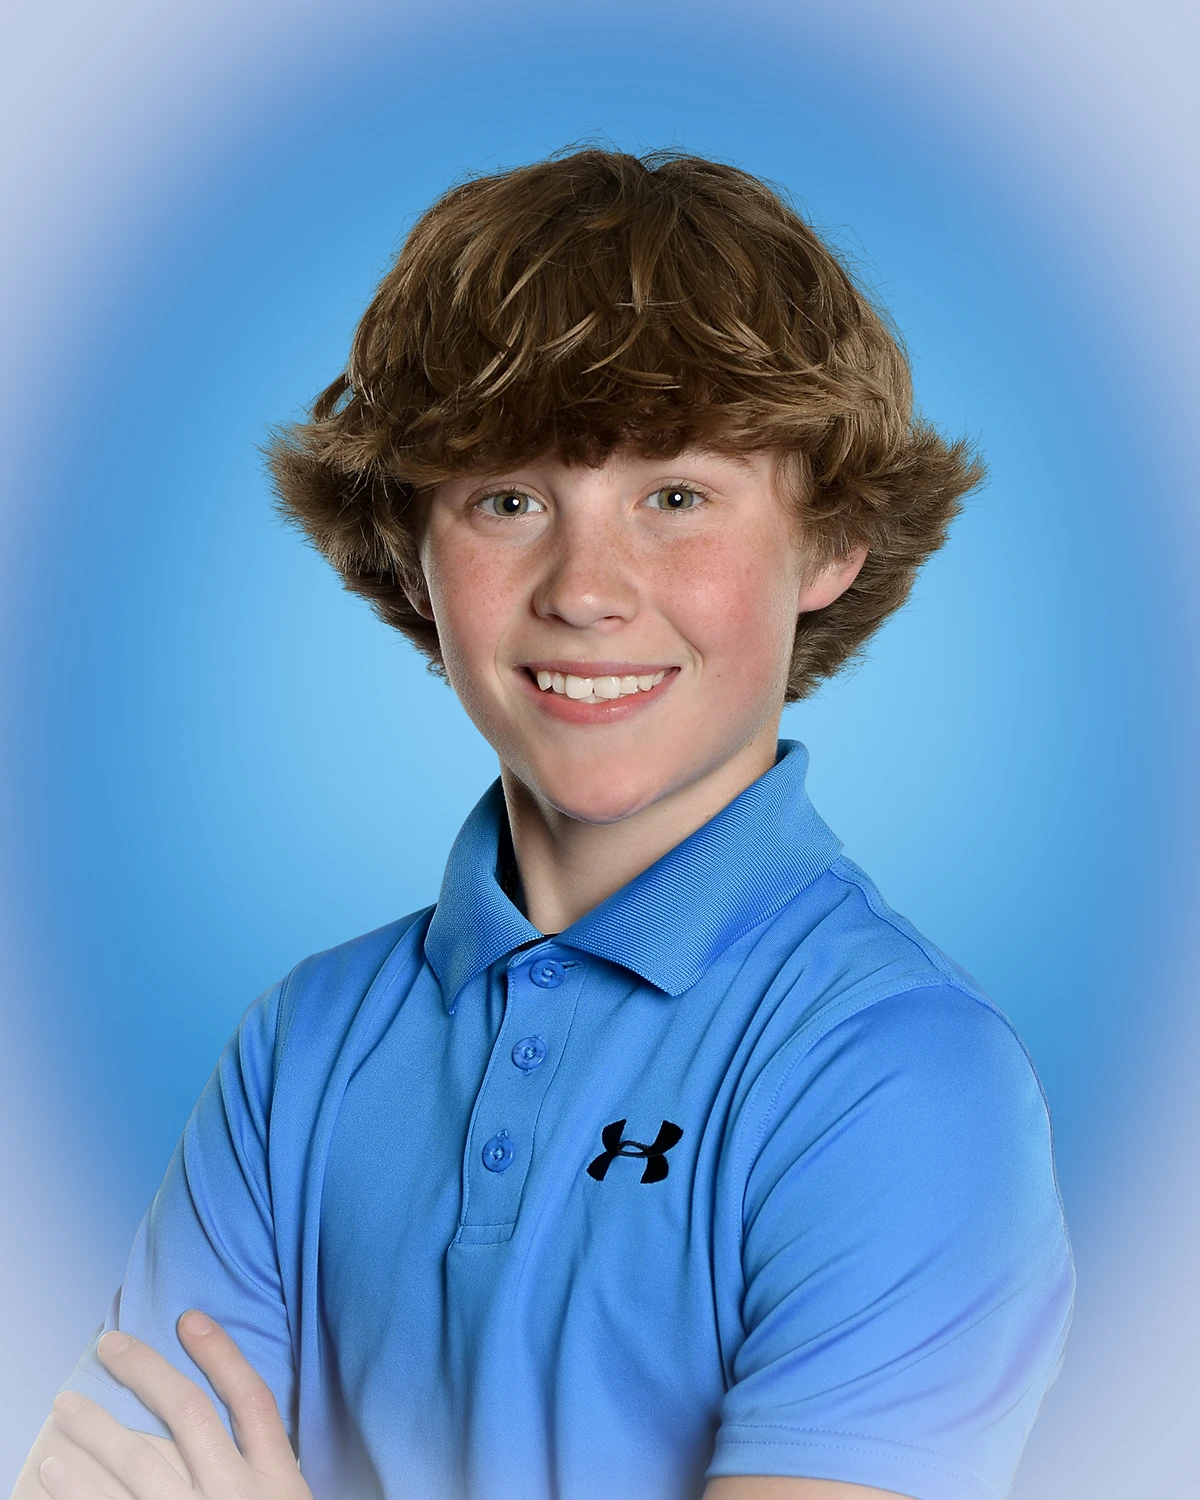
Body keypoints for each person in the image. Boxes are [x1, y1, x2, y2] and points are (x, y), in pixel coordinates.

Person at [12, 148, 1074, 1500]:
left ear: (830, 543)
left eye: (676, 498)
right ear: (410, 548)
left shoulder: (903, 1077)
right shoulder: (300, 1051)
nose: (586, 589)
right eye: (508, 501)